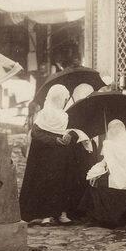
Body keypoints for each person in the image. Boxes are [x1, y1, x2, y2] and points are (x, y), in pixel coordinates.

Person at [19, 85, 90, 226]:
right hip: (44, 156)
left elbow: (71, 131)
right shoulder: (43, 114)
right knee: (46, 183)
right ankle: (45, 215)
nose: (63, 102)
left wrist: (69, 136)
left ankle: (61, 213)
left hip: (61, 156)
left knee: (62, 183)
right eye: (62, 99)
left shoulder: (64, 115)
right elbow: (36, 133)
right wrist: (54, 140)